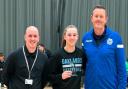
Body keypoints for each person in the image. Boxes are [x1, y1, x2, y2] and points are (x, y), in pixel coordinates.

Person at [82, 5, 126, 89]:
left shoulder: (116, 38)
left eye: (101, 16)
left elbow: (122, 68)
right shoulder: (85, 38)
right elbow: (84, 65)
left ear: (106, 19)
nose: (98, 19)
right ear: (92, 18)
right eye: (96, 16)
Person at [50, 25, 86, 89]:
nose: (72, 37)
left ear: (77, 37)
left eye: (74, 35)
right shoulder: (56, 55)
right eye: (69, 35)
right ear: (64, 37)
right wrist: (61, 76)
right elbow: (49, 77)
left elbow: (86, 70)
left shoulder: (81, 54)